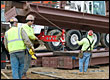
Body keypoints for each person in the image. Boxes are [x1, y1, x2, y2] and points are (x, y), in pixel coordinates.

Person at [21, 14, 44, 79]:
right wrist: (36, 38)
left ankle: (23, 74)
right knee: (26, 61)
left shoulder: (29, 27)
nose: (33, 23)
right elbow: (29, 35)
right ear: (30, 21)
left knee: (27, 61)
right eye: (32, 21)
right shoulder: (24, 27)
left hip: (29, 46)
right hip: (26, 46)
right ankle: (22, 75)